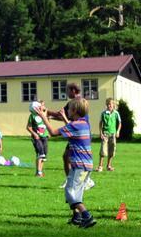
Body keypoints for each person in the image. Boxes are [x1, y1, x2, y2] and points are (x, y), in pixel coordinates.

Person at [34, 97, 96, 228]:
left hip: (79, 165)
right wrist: (63, 117)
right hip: (87, 165)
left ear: (74, 110)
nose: (68, 110)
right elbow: (70, 129)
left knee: (70, 191)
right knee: (77, 192)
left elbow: (53, 132)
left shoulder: (74, 125)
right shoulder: (84, 123)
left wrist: (43, 116)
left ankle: (87, 216)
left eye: (69, 108)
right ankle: (78, 218)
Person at [96, 98, 121, 172]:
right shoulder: (103, 113)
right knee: (103, 151)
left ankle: (109, 166)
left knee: (112, 150)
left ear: (113, 105)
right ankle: (100, 166)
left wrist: (118, 131)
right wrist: (100, 133)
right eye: (108, 104)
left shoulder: (116, 113)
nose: (109, 105)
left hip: (113, 135)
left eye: (110, 104)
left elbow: (119, 123)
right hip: (105, 134)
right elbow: (101, 123)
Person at [26, 102, 49, 177]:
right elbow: (28, 127)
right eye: (40, 106)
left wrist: (48, 133)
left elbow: (46, 124)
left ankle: (39, 171)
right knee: (40, 154)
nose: (42, 107)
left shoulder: (44, 115)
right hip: (37, 138)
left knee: (44, 155)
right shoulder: (32, 116)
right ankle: (39, 172)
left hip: (44, 137)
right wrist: (35, 134)